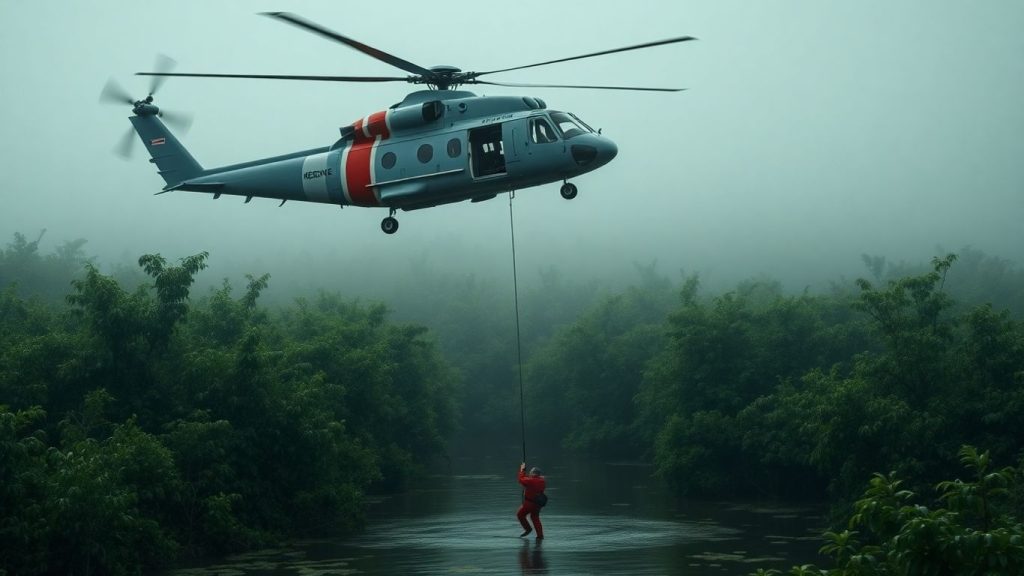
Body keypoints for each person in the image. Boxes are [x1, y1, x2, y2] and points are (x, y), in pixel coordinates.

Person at [516, 462, 546, 539]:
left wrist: (522, 469)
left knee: (520, 515)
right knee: (535, 517)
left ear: (534, 473)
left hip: (529, 503)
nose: (529, 474)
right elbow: (528, 481)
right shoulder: (542, 480)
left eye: (531, 472)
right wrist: (526, 476)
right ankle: (540, 535)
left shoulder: (530, 480)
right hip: (538, 504)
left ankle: (528, 529)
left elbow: (520, 480)